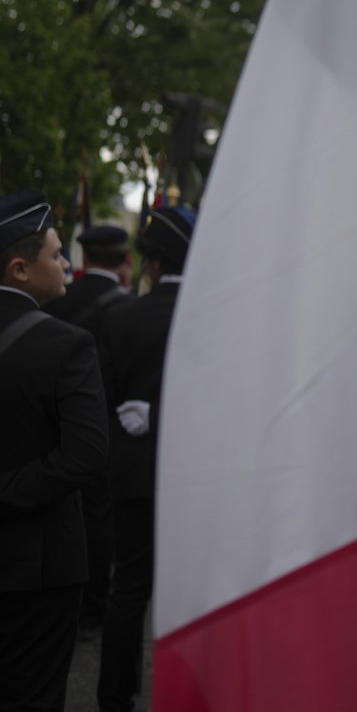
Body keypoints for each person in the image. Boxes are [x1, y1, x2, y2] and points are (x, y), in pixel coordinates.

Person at [0, 190, 109, 712]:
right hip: (38, 569)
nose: (68, 264)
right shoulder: (68, 344)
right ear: (20, 269)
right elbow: (87, 454)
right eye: (57, 254)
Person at [96, 205, 196, 712]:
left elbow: (106, 407)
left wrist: (151, 419)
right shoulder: (213, 316)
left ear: (152, 263)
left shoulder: (119, 317)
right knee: (199, 590)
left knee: (128, 590)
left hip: (134, 471)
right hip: (197, 476)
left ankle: (115, 697)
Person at [44, 224, 134, 633]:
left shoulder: (55, 298)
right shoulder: (128, 306)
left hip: (54, 424)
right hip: (112, 428)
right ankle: (94, 605)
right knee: (99, 519)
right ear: (124, 259)